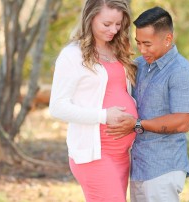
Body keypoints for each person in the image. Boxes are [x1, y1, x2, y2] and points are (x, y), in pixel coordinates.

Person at [106, 6, 189, 202]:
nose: (141, 49)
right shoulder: (140, 65)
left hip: (163, 169)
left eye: (147, 44)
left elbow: (183, 122)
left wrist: (137, 124)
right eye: (138, 43)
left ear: (168, 39)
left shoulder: (181, 72)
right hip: (138, 168)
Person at [49, 0, 137, 201]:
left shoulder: (117, 50)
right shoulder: (72, 55)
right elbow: (57, 107)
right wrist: (104, 116)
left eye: (118, 24)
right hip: (94, 154)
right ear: (90, 18)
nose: (114, 30)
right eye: (107, 24)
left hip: (121, 154)